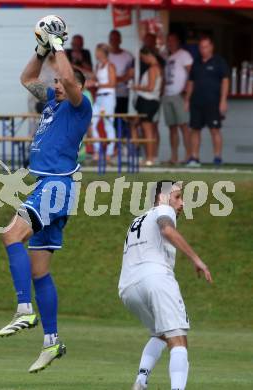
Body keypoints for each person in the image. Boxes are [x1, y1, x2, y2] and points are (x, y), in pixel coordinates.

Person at [0, 19, 92, 374]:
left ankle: (24, 310)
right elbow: (26, 78)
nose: (56, 85)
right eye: (55, 83)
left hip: (55, 186)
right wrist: (41, 50)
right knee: (40, 272)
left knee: (9, 234)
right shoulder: (53, 102)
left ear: (78, 87)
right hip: (49, 186)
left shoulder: (79, 106)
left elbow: (68, 78)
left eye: (62, 82)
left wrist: (59, 45)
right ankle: (52, 342)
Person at [118, 180, 213, 390]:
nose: (182, 203)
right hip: (155, 278)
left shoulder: (138, 220)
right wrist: (196, 259)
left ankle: (141, 382)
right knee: (178, 339)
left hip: (128, 287)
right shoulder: (163, 209)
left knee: (160, 334)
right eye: (177, 197)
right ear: (162, 197)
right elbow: (167, 231)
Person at [185, 36, 229, 167]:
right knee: (195, 129)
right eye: (201, 47)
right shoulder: (196, 62)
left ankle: (217, 157)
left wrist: (223, 100)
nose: (203, 49)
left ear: (211, 47)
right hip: (196, 102)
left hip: (213, 102)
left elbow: (225, 81)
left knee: (214, 129)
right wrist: (187, 99)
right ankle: (194, 157)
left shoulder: (219, 61)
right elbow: (191, 82)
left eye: (205, 47)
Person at [163, 33, 193, 164]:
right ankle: (174, 157)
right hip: (168, 94)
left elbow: (192, 73)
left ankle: (188, 155)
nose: (170, 43)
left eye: (173, 40)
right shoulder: (169, 57)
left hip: (179, 95)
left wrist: (186, 89)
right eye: (168, 41)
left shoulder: (184, 55)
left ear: (178, 41)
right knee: (172, 127)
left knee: (183, 126)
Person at [133, 47, 162, 166]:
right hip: (149, 101)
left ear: (149, 55)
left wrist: (136, 87)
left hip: (148, 101)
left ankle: (150, 157)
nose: (143, 60)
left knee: (147, 129)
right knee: (136, 125)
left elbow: (150, 87)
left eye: (143, 58)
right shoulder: (158, 68)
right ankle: (146, 156)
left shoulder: (153, 69)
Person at [87, 43, 116, 163]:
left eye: (97, 51)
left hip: (108, 97)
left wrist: (96, 84)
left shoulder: (110, 66)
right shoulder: (98, 66)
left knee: (108, 123)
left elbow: (113, 83)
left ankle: (109, 153)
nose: (96, 54)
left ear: (102, 52)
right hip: (99, 97)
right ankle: (97, 151)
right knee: (92, 122)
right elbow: (92, 79)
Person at [108, 30, 134, 128]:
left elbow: (131, 74)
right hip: (109, 94)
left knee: (122, 120)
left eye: (116, 39)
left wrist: (115, 80)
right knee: (110, 121)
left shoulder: (128, 56)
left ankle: (122, 142)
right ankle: (113, 143)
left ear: (120, 40)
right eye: (112, 39)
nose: (114, 41)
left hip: (123, 94)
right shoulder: (106, 56)